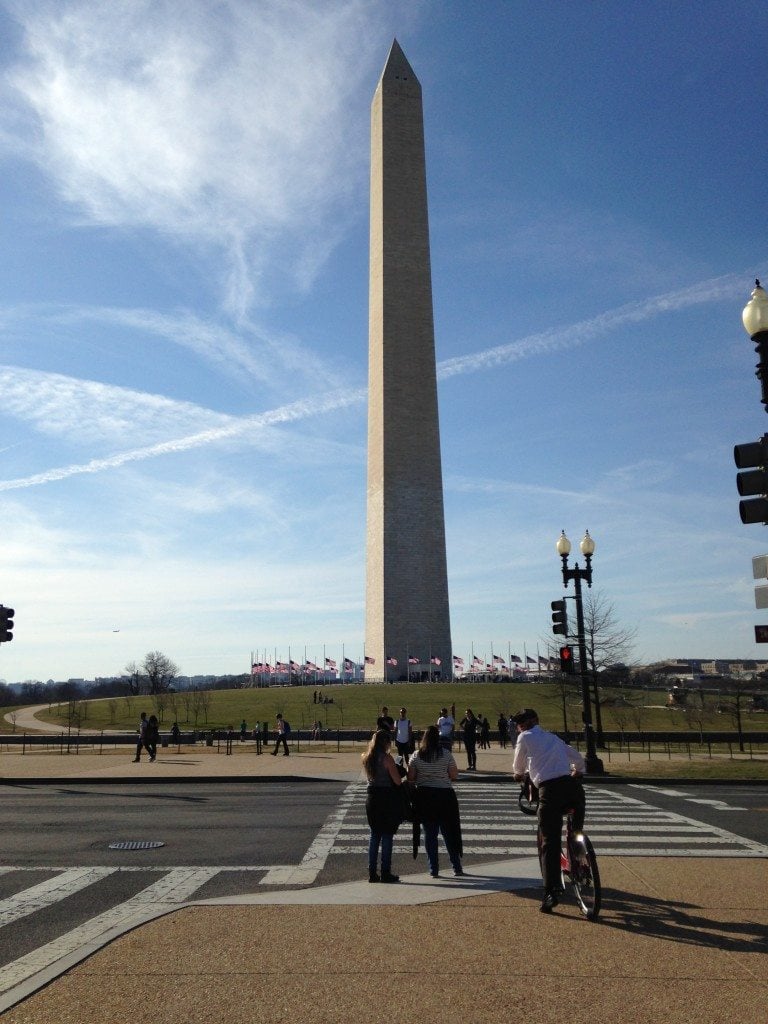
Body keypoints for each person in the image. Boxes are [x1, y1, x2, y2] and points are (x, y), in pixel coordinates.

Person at [510, 708, 585, 914]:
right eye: (519, 723)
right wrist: (577, 770)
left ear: (531, 722)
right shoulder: (553, 738)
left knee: (549, 841)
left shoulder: (525, 737)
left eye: (522, 722)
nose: (520, 726)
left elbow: (518, 764)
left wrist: (518, 774)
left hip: (550, 791)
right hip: (573, 788)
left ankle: (551, 892)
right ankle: (579, 853)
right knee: (576, 828)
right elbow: (577, 758)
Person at [408, 724, 464, 878]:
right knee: (449, 833)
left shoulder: (417, 755)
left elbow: (411, 777)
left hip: (425, 796)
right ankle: (456, 866)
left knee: (430, 834)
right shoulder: (445, 754)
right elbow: (454, 775)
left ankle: (434, 868)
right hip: (445, 796)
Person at [361, 729, 403, 883]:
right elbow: (397, 781)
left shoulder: (367, 757)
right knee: (387, 835)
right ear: (385, 742)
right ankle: (385, 871)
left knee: (374, 835)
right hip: (385, 797)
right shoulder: (387, 758)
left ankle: (372, 872)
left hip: (371, 798)